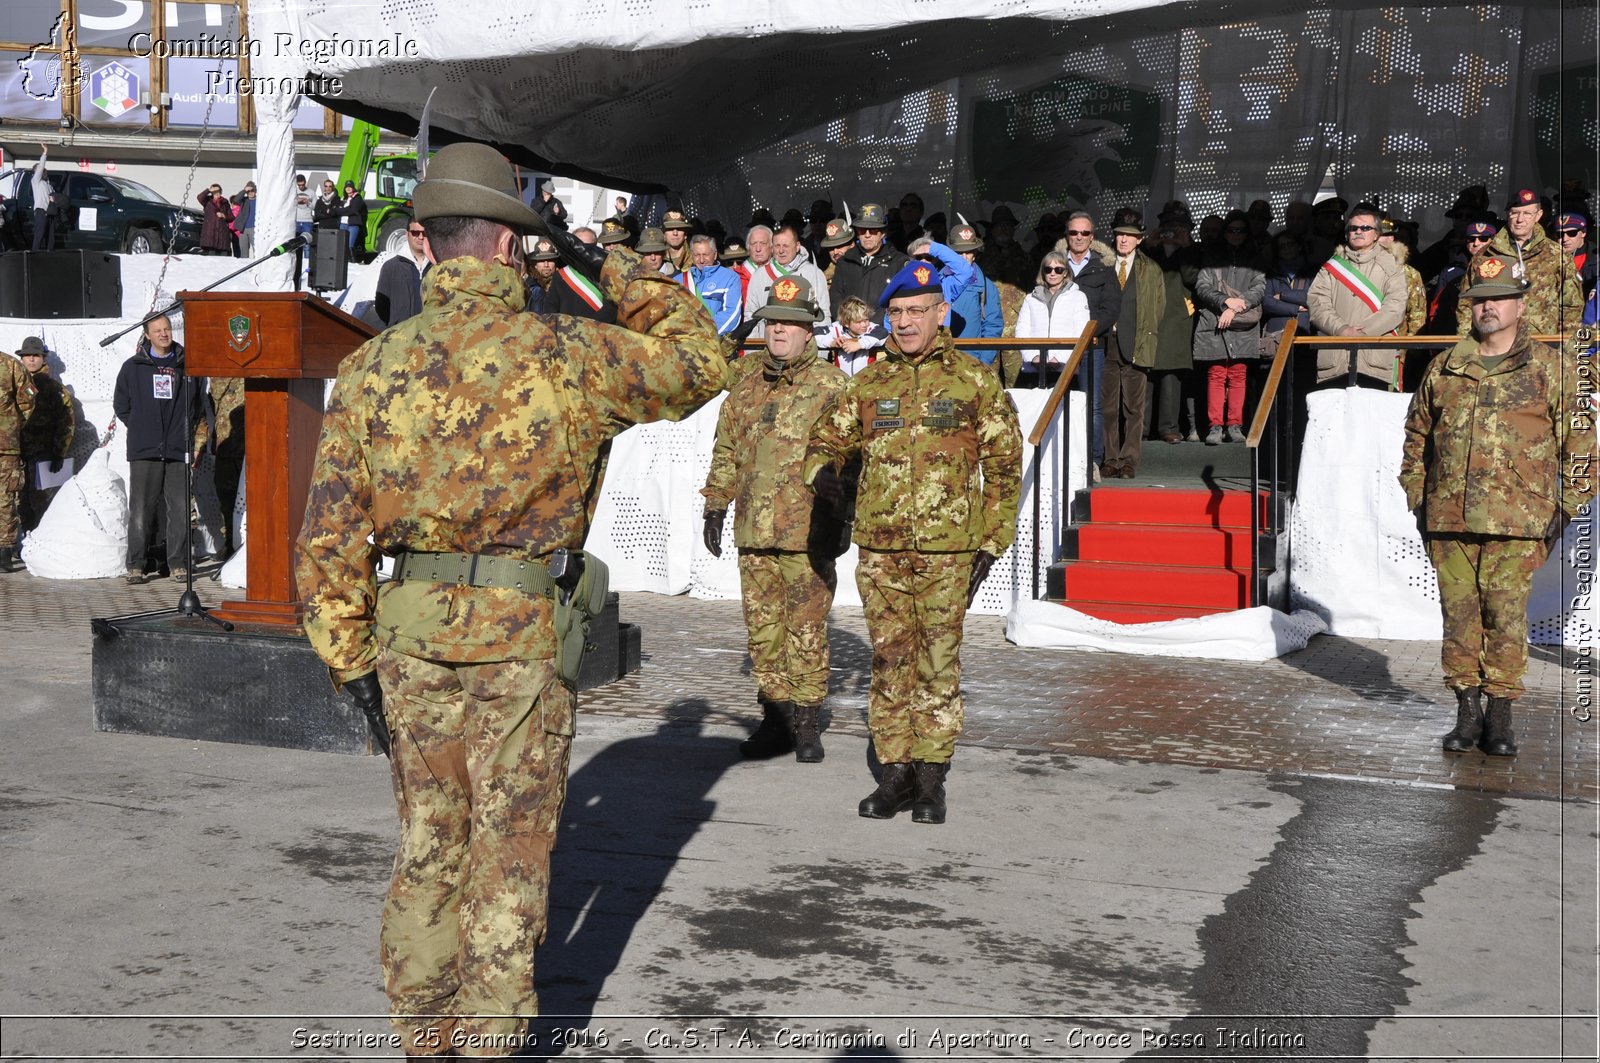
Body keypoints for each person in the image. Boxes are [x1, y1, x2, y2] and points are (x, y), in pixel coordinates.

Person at [294, 142, 727, 1054]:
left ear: (428, 244)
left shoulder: (373, 367)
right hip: (521, 643)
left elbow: (328, 537)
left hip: (408, 644)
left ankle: (425, 1043)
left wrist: (351, 660)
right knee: (508, 867)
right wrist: (595, 258)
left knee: (427, 852)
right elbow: (701, 358)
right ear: (506, 248)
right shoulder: (570, 351)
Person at [804, 261, 1022, 824]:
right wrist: (825, 474)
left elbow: (1003, 468)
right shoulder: (869, 384)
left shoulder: (975, 382)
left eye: (915, 311)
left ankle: (931, 778)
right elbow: (824, 441)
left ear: (940, 314)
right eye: (896, 312)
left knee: (938, 662)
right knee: (889, 658)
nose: (904, 322)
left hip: (950, 551)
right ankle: (895, 773)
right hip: (881, 550)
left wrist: (991, 544)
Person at [1399, 253, 1595, 758]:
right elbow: (1417, 434)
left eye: (1499, 299)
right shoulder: (1447, 366)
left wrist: (1568, 505)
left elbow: (1580, 441)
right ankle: (1466, 712)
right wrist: (1417, 496)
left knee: (1504, 616)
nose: (1488, 308)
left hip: (1519, 520)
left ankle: (1501, 714)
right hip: (1449, 517)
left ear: (1520, 304)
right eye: (1480, 300)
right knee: (1458, 615)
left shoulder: (1551, 368)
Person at [702, 275, 848, 763]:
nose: (780, 332)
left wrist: (840, 515)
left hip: (807, 530)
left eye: (790, 324)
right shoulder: (746, 383)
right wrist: (716, 504)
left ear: (810, 331)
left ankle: (807, 721)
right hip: (755, 529)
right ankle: (775, 718)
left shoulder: (832, 385)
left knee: (806, 629)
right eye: (772, 324)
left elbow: (852, 454)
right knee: (763, 630)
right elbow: (726, 448)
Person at [113, 315, 209, 583]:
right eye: (157, 330)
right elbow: (121, 405)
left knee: (179, 509)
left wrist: (184, 431)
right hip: (145, 450)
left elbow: (198, 403)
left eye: (166, 329)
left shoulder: (186, 365)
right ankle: (136, 565)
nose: (163, 334)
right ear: (147, 335)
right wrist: (142, 427)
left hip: (179, 449)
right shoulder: (133, 367)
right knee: (142, 509)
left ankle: (177, 563)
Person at [1457, 189, 1584, 336]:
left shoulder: (1556, 255)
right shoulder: (1485, 255)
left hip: (1542, 346)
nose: (1520, 219)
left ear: (1538, 215)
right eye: (1515, 213)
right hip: (1495, 344)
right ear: (1508, 214)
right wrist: (1467, 346)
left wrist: (1564, 346)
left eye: (1527, 213)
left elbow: (1571, 306)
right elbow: (1466, 303)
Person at [1306, 205, 1408, 389]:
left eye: (1366, 228)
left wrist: (1363, 334)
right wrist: (1343, 330)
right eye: (1353, 228)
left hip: (1373, 360)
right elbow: (1317, 304)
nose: (1358, 232)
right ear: (1347, 233)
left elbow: (1395, 308)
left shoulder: (1392, 266)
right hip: (1335, 359)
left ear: (1376, 234)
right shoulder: (1331, 267)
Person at [1100, 210, 1166, 476]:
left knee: (1134, 408)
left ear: (1140, 239)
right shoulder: (1102, 264)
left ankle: (1129, 461)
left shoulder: (1150, 269)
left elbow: (1157, 309)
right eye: (1120, 234)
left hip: (1136, 343)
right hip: (1106, 343)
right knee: (1106, 407)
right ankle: (1109, 459)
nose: (1124, 240)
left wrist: (1145, 339)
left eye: (1130, 235)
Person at [1193, 211, 1265, 444]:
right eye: (1231, 230)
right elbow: (1202, 286)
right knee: (1216, 374)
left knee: (1238, 374)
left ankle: (1235, 425)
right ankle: (1215, 426)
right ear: (1224, 232)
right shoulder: (1211, 255)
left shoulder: (1255, 256)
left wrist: (1234, 307)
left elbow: (1259, 287)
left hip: (1242, 322)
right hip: (1215, 322)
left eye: (1240, 230)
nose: (1235, 235)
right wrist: (1224, 302)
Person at [1145, 211, 1200, 443]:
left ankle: (1169, 427)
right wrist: (1149, 244)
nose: (1173, 231)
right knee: (1144, 372)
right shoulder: (1150, 249)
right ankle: (1142, 428)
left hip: (1176, 317)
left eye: (1179, 226)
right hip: (1149, 315)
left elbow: (1193, 277)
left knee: (1171, 373)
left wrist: (1185, 247)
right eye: (1168, 226)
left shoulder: (1193, 250)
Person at [1013, 250, 1091, 389]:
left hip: (1065, 369)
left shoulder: (1078, 297)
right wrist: (1033, 358)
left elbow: (1081, 333)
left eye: (1058, 269)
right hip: (1033, 369)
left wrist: (1060, 359)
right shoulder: (1031, 298)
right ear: (1043, 272)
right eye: (1048, 269)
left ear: (1066, 272)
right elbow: (1022, 331)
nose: (1053, 273)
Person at [17, 337, 72, 535]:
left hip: (44, 456)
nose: (31, 360)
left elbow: (66, 423)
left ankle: (42, 543)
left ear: (43, 358)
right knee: (19, 503)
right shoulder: (12, 386)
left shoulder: (55, 389)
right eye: (27, 356)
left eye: (36, 355)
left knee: (43, 505)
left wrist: (59, 453)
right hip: (16, 456)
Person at [828, 204, 909, 322]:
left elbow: (899, 301)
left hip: (883, 333)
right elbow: (835, 298)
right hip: (847, 329)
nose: (867, 235)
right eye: (862, 229)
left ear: (883, 233)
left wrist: (872, 327)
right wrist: (850, 324)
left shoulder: (898, 262)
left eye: (873, 230)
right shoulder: (844, 261)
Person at [746, 226, 831, 336]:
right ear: (772, 248)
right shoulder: (759, 275)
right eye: (777, 246)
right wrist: (753, 349)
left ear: (797, 246)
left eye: (786, 245)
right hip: (766, 348)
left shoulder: (813, 273)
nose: (781, 251)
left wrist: (820, 351)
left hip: (803, 349)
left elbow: (821, 313)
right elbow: (750, 315)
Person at [945, 222, 1004, 374]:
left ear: (975, 254)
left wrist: (982, 362)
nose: (964, 257)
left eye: (969, 252)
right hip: (940, 362)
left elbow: (993, 326)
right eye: (959, 252)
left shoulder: (986, 286)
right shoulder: (936, 281)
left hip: (972, 363)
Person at [0, 340, 38, 573]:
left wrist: (11, 426)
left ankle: (4, 552)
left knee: (5, 500)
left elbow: (28, 399)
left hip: (5, 447)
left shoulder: (10, 365)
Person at [372, 219, 431, 327]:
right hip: (401, 338)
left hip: (432, 337)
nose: (421, 237)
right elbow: (382, 306)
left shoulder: (438, 266)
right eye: (415, 233)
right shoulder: (391, 267)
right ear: (407, 234)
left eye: (424, 233)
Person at [681, 234, 743, 335]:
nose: (701, 260)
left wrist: (706, 334)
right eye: (697, 255)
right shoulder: (679, 280)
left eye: (705, 254)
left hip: (715, 342)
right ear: (692, 255)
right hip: (685, 341)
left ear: (715, 255)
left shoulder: (729, 278)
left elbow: (732, 314)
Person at [814, 295, 889, 375]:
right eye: (859, 322)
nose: (864, 324)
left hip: (866, 379)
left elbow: (884, 333)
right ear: (846, 323)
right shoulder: (837, 328)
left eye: (866, 320)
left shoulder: (871, 328)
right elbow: (815, 333)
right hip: (842, 379)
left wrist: (859, 344)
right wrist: (832, 343)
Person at [1556, 212, 1595, 298]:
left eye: (1572, 233)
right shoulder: (1549, 256)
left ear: (1584, 233)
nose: (1565, 239)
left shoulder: (1596, 258)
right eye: (1560, 234)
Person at [522, 239, 561, 314]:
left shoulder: (563, 284)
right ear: (535, 265)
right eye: (541, 260)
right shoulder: (529, 287)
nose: (546, 265)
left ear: (555, 263)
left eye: (550, 260)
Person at [197, 183, 235, 256]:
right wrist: (208, 190)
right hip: (210, 234)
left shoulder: (225, 202)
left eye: (218, 191)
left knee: (223, 256)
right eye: (214, 191)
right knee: (211, 256)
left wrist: (224, 216)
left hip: (222, 234)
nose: (217, 193)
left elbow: (232, 217)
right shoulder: (207, 201)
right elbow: (199, 197)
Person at [29, 143, 54, 252]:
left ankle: (49, 254)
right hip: (41, 211)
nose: (44, 171)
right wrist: (45, 152)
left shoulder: (47, 184)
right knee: (39, 233)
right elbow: (40, 169)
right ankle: (34, 253)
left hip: (50, 212)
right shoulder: (36, 181)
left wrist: (54, 198)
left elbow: (54, 195)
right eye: (41, 170)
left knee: (50, 236)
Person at [339, 180, 367, 259]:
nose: (348, 188)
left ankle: (353, 261)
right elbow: (337, 210)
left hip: (353, 224)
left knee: (350, 245)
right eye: (347, 187)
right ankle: (344, 261)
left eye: (350, 187)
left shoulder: (357, 197)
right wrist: (346, 210)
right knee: (342, 245)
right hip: (342, 224)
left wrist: (343, 210)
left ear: (353, 188)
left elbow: (354, 210)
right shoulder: (343, 198)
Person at [232, 182, 257, 257]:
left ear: (255, 190)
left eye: (252, 190)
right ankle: (245, 267)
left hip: (255, 229)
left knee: (257, 250)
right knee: (243, 252)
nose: (250, 193)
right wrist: (244, 190)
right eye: (248, 191)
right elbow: (236, 200)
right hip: (243, 229)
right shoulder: (244, 200)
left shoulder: (260, 201)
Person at [293, 174, 315, 238]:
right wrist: (297, 201)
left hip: (307, 221)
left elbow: (315, 207)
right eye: (299, 185)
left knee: (306, 243)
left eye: (302, 185)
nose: (301, 186)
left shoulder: (311, 192)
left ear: (305, 182)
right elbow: (289, 206)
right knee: (295, 243)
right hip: (296, 220)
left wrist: (307, 202)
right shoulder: (293, 192)